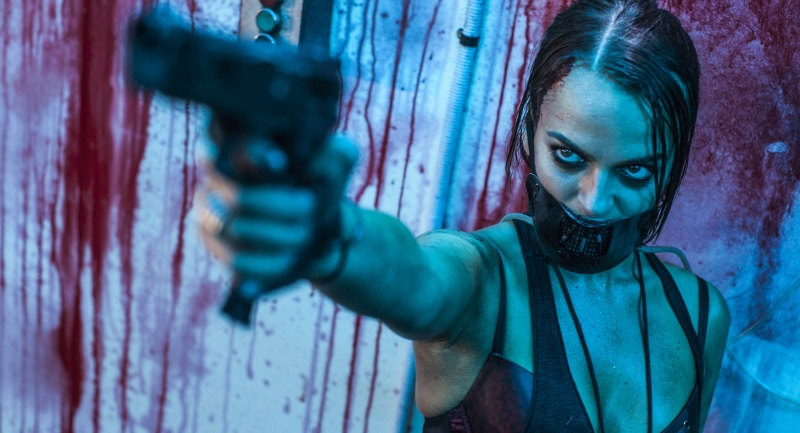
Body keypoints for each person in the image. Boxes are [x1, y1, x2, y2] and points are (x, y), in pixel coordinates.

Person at [197, 0, 730, 431]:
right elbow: (412, 276)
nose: (593, 200)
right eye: (569, 156)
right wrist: (328, 236)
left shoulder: (701, 316)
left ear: (670, 165)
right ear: (529, 130)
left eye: (635, 171)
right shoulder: (482, 279)